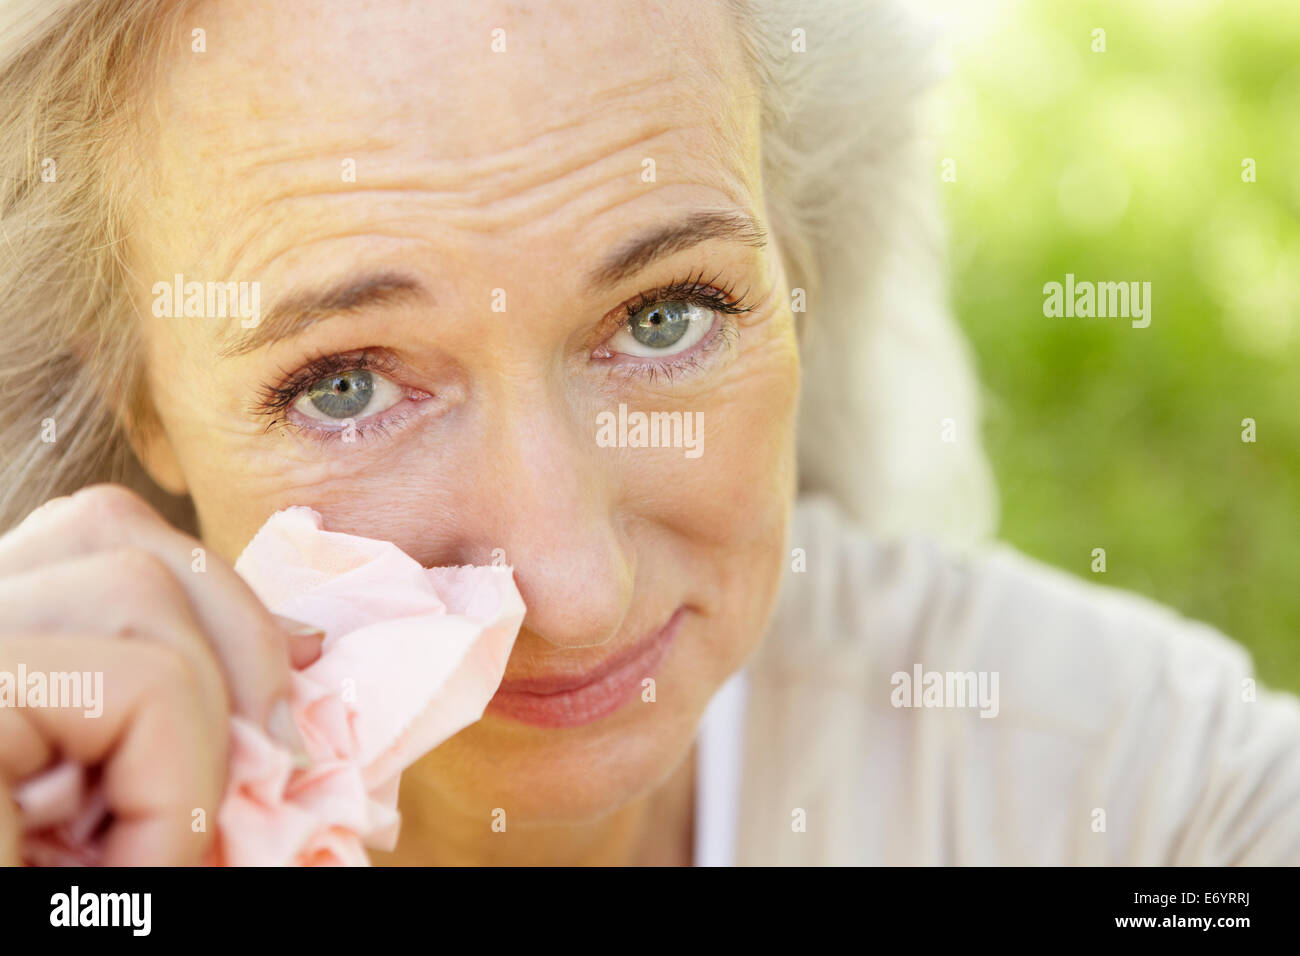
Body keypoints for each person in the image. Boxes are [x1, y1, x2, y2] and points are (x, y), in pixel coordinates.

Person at [0, 0, 1296, 866]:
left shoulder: (1152, 800)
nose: (570, 590)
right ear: (140, 403)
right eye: (345, 384)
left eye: (666, 316)